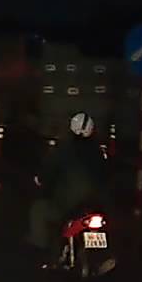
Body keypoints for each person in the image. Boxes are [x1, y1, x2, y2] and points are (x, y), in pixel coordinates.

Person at [28, 112, 107, 265]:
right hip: (94, 203)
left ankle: (41, 250)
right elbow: (105, 175)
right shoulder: (97, 152)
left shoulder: (63, 149)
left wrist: (41, 180)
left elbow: (49, 170)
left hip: (67, 204)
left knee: (38, 210)